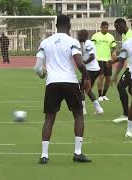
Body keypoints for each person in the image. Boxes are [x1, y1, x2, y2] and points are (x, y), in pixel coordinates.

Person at [34, 15, 92, 164]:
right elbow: (79, 63)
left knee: (49, 119)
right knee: (78, 115)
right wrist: (87, 78)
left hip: (52, 83)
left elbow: (37, 68)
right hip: (70, 82)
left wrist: (42, 74)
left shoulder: (45, 42)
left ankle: (44, 155)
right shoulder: (72, 42)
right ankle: (77, 152)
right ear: (69, 26)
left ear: (56, 25)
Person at [77, 29, 104, 115]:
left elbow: (92, 56)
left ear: (82, 36)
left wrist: (84, 62)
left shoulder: (88, 43)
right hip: (94, 69)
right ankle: (99, 109)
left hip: (90, 70)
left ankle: (83, 110)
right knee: (88, 90)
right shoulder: (88, 43)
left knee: (81, 88)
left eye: (79, 35)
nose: (78, 37)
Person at [91, 21, 116, 101]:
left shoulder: (111, 37)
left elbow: (114, 47)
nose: (106, 29)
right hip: (98, 59)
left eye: (107, 28)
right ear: (101, 27)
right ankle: (99, 96)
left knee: (108, 78)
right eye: (104, 27)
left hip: (108, 60)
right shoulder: (95, 36)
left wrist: (114, 53)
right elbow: (91, 47)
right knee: (101, 76)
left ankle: (104, 95)